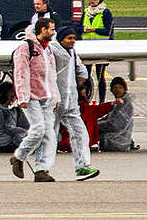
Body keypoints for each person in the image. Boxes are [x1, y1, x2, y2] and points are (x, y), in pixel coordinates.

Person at [10, 17, 60, 182]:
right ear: (42, 30)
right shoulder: (26, 48)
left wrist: (55, 96)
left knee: (48, 134)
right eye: (51, 29)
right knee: (38, 130)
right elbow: (20, 73)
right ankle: (19, 156)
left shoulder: (48, 49)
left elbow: (52, 75)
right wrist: (22, 96)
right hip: (30, 97)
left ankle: (41, 169)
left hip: (46, 97)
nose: (54, 32)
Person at [51, 25, 100, 180]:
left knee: (80, 133)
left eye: (74, 38)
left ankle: (82, 167)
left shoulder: (73, 53)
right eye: (69, 38)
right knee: (47, 135)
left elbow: (81, 71)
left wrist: (79, 87)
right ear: (61, 39)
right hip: (53, 102)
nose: (72, 41)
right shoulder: (51, 51)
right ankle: (39, 167)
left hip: (70, 103)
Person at [80, 0, 114, 102]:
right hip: (87, 49)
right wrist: (82, 30)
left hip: (101, 49)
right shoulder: (85, 12)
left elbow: (108, 31)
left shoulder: (105, 12)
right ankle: (84, 100)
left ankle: (102, 101)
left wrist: (94, 30)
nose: (91, 1)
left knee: (101, 77)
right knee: (86, 76)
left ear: (99, 0)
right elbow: (79, 28)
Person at [0, 82, 30, 152]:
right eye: (12, 95)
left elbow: (23, 125)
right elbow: (6, 128)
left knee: (18, 137)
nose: (14, 97)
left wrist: (26, 132)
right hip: (1, 136)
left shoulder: (15, 109)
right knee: (0, 138)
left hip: (12, 135)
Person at [97, 77, 135, 151]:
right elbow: (108, 119)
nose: (117, 90)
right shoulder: (118, 103)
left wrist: (95, 125)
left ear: (125, 89)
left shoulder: (124, 104)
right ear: (112, 90)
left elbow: (114, 125)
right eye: (115, 88)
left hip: (116, 142)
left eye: (120, 87)